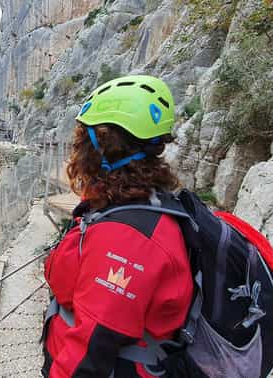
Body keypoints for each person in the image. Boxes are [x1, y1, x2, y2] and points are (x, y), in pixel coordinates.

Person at [42, 75, 193, 377]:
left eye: (81, 141)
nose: (75, 150)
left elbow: (90, 353)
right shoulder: (139, 204)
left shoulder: (126, 238)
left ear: (99, 150)